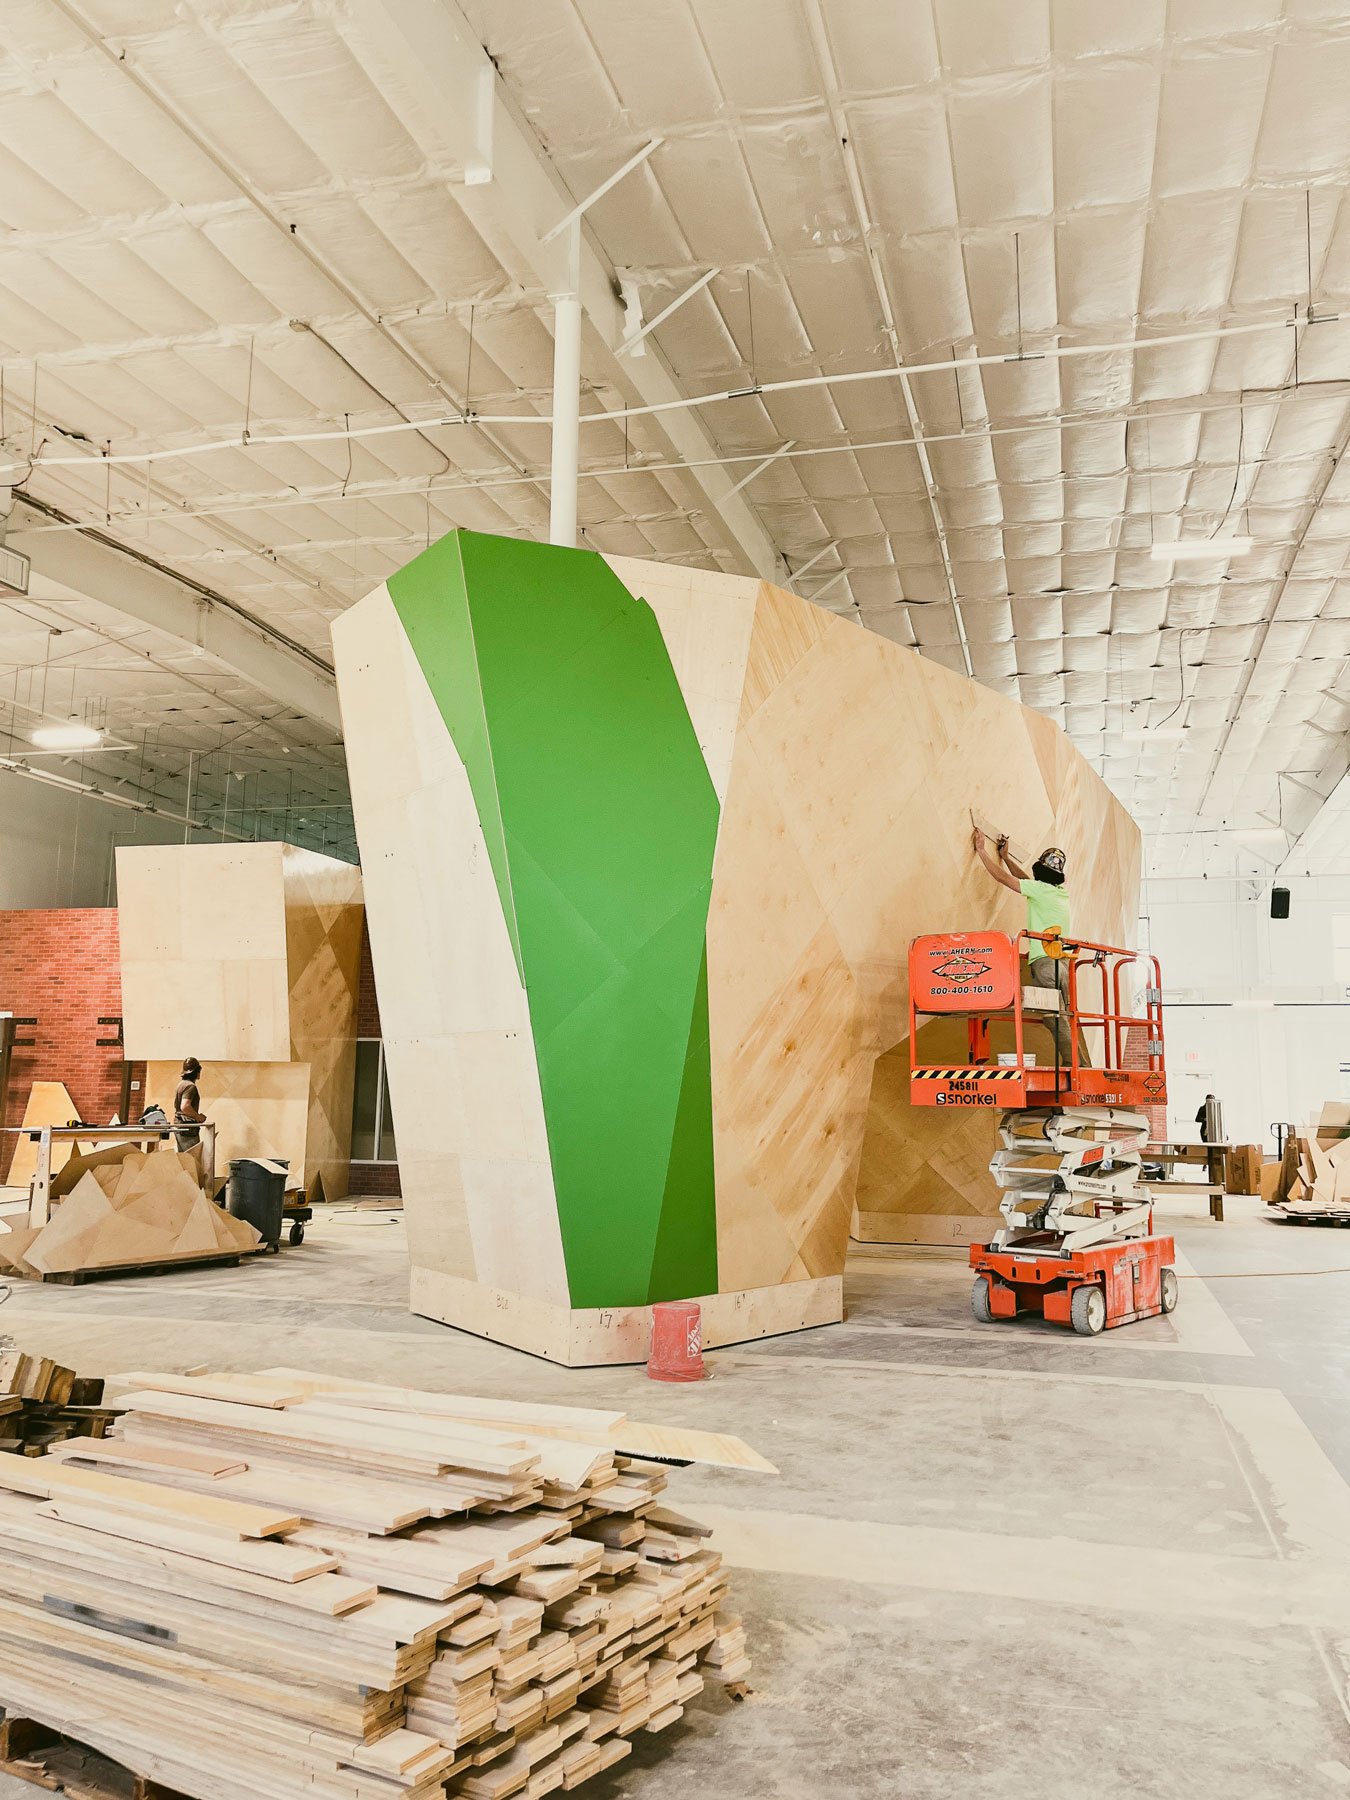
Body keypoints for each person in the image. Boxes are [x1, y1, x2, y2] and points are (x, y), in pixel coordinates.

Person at [972, 829, 1075, 1065]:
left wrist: (982, 851)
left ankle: (1074, 1065)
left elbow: (1005, 880)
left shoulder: (1040, 891)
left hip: (1045, 964)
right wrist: (1006, 858)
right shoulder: (1058, 893)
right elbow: (1027, 882)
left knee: (1053, 1018)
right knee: (1061, 1017)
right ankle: (1077, 1064)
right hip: (1062, 965)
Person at [173, 1056, 206, 1152]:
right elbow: (185, 1106)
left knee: (183, 1157)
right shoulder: (190, 1086)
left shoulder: (181, 1084)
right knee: (192, 1157)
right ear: (196, 1072)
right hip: (188, 1128)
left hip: (180, 1126)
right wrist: (198, 1117)